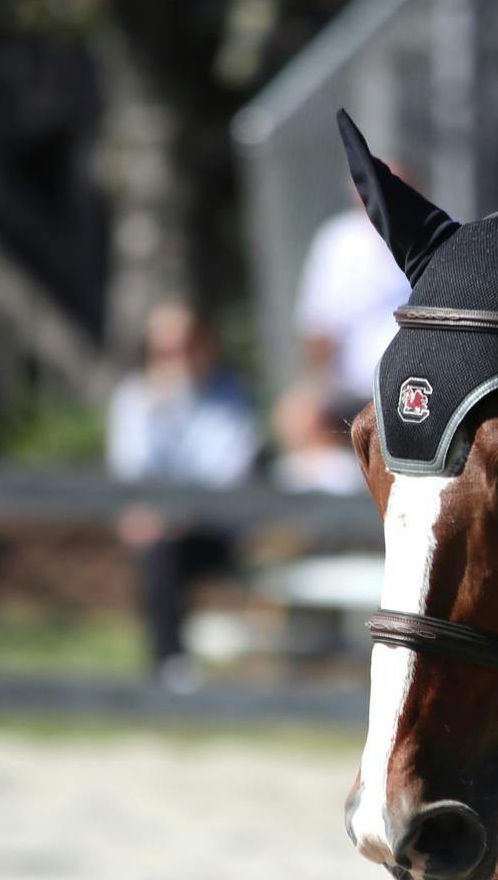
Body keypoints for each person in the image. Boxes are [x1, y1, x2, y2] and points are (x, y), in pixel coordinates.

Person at [105, 301, 259, 689]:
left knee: (164, 548)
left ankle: (172, 665)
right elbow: (132, 469)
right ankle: (170, 666)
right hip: (156, 529)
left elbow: (229, 472)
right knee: (159, 552)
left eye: (185, 346)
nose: (176, 359)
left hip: (218, 530)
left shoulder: (231, 396)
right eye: (164, 350)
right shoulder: (134, 398)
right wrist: (164, 405)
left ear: (205, 344)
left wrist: (174, 514)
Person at [295, 201, 411, 421]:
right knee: (299, 416)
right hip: (353, 392)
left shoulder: (441, 234)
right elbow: (318, 331)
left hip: (418, 387)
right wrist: (319, 385)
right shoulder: (338, 240)